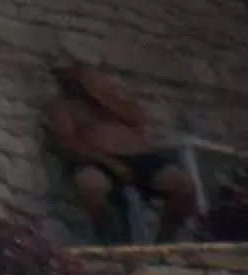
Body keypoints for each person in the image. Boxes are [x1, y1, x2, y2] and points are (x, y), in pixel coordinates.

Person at [45, 60, 200, 241]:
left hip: (139, 158)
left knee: (184, 186)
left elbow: (139, 120)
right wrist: (108, 162)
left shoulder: (114, 99)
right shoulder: (63, 106)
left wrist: (101, 95)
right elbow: (67, 143)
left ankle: (164, 241)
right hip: (98, 160)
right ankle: (111, 237)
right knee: (91, 186)